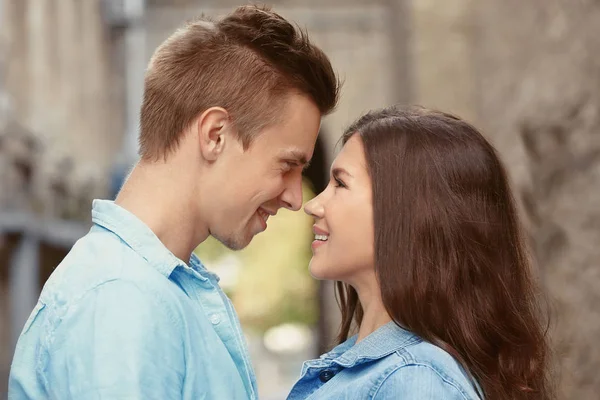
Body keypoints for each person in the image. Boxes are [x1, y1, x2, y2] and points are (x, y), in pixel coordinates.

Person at [9, 5, 340, 399]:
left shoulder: (163, 290)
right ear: (215, 135)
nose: (293, 197)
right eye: (287, 165)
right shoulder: (120, 300)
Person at [288, 106, 553, 400]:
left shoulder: (415, 380)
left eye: (340, 183)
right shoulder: (385, 371)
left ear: (408, 212)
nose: (313, 205)